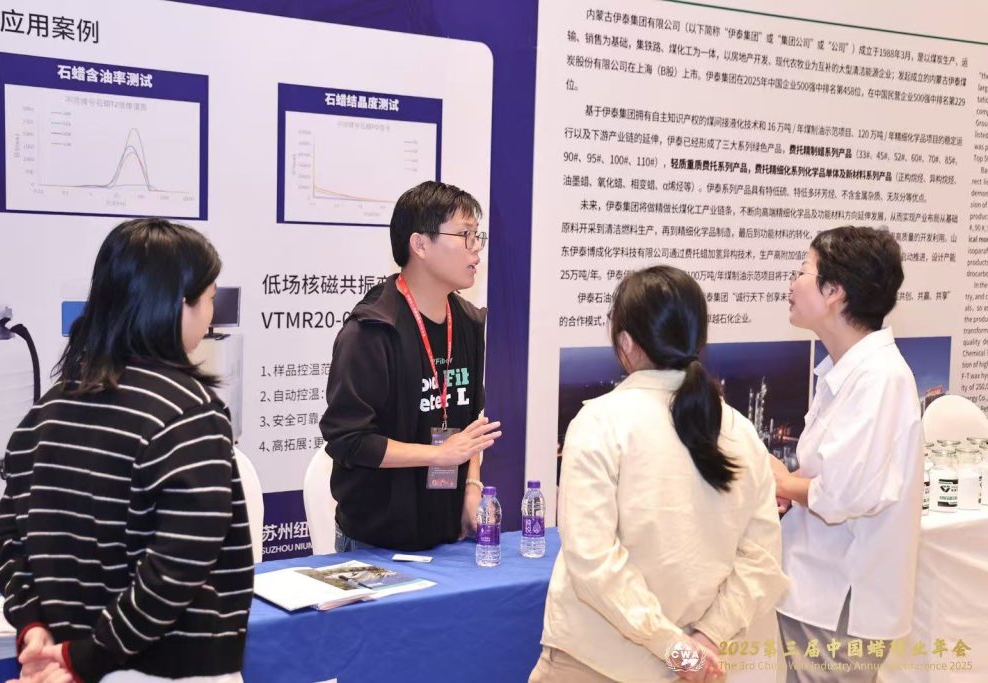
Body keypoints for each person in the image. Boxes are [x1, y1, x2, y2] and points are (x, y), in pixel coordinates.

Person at [0, 219, 253, 683]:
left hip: (63, 659)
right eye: (210, 298)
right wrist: (84, 657)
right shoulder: (189, 415)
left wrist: (33, 628)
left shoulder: (47, 411)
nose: (212, 314)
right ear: (178, 305)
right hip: (165, 668)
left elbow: (12, 537)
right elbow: (176, 569)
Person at [532, 266, 787, 683]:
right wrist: (704, 640)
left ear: (625, 343)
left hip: (601, 663)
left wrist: (676, 648)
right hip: (703, 662)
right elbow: (762, 557)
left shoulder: (601, 422)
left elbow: (592, 560)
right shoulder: (739, 430)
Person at [771, 226, 923, 682]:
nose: (792, 283)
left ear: (834, 291)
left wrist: (783, 482)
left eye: (803, 271)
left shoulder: (880, 378)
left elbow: (845, 494)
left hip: (840, 600)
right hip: (819, 588)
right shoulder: (847, 370)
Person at [320, 180, 501, 552]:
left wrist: (471, 487)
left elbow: (470, 429)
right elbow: (349, 440)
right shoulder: (373, 330)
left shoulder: (469, 323)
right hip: (377, 545)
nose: (476, 248)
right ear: (420, 245)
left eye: (477, 235)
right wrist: (438, 455)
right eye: (464, 235)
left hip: (448, 537)